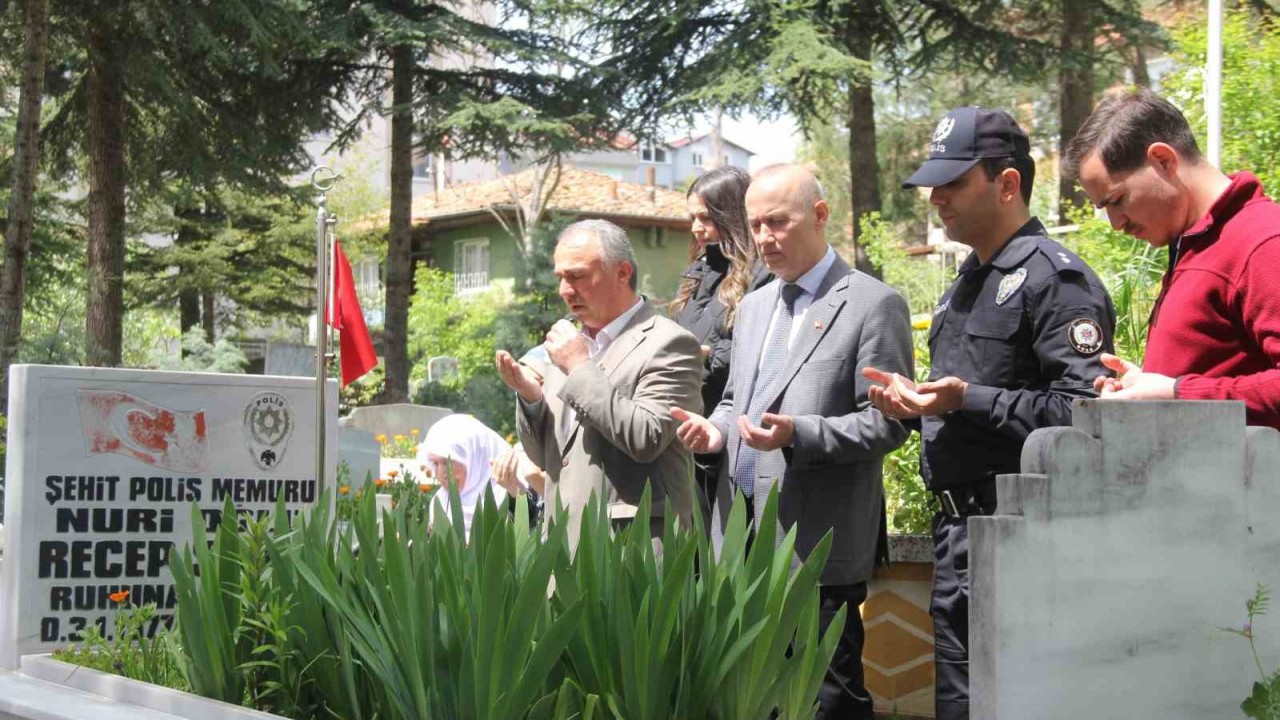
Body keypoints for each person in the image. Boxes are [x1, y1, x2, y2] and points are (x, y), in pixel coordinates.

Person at [862, 107, 1116, 720]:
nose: (937, 199)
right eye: (933, 185)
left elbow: (1088, 417)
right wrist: (916, 404)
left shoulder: (1057, 280)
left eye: (953, 183)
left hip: (1025, 540)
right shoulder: (963, 284)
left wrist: (964, 399)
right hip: (958, 539)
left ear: (1007, 183)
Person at [671, 163, 913, 720]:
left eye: (778, 222)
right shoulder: (754, 306)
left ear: (821, 215)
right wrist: (715, 431)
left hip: (816, 548)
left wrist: (799, 433)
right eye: (756, 225)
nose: (764, 238)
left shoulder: (873, 303)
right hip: (741, 539)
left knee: (828, 699)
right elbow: (735, 400)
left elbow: (888, 424)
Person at [1063, 87, 1280, 429]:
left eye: (1116, 200)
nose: (1116, 224)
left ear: (1163, 160)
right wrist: (1144, 389)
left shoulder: (1262, 242)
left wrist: (1177, 393)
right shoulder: (1194, 244)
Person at [494, 219, 703, 546]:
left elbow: (645, 437)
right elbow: (544, 457)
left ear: (622, 273)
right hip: (563, 549)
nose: (564, 290)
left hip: (631, 550)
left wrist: (578, 366)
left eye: (577, 275)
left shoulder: (671, 343)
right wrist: (531, 398)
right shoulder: (568, 342)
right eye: (561, 277)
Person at [670, 166, 773, 524]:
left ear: (732, 215)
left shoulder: (760, 272)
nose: (697, 228)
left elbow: (759, 347)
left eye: (706, 217)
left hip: (733, 429)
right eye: (692, 218)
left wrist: (708, 356)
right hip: (692, 425)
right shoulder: (697, 273)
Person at [418, 413, 511, 536]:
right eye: (435, 463)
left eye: (447, 462)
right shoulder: (440, 502)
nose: (440, 473)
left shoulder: (510, 499)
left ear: (475, 458)